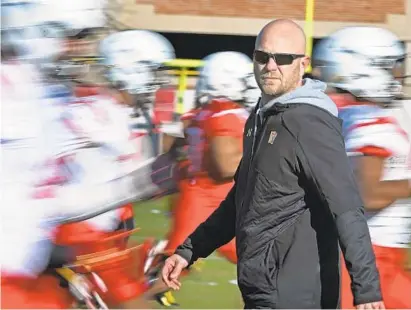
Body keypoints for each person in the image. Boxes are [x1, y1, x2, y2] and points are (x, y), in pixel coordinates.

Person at [161, 19, 384, 309]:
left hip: (296, 296)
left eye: (282, 58)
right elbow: (241, 200)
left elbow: (346, 207)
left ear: (302, 63)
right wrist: (189, 251)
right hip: (262, 290)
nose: (270, 66)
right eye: (262, 56)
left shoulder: (309, 122)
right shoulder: (261, 116)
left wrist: (367, 291)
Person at [312, 27, 411, 309]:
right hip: (370, 262)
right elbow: (368, 194)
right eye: (390, 67)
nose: (398, 75)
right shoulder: (370, 122)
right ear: (364, 68)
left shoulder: (346, 115)